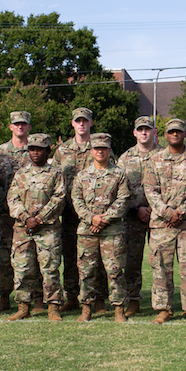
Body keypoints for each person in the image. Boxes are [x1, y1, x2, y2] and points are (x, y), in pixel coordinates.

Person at [142, 118, 186, 325]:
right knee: (161, 266)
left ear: (185, 134)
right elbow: (150, 190)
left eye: (178, 131)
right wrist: (166, 212)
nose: (175, 134)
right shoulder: (154, 160)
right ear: (165, 135)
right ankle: (164, 309)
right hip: (161, 225)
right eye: (171, 132)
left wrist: (181, 212)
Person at [72, 133, 132, 323]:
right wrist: (91, 219)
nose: (100, 152)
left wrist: (104, 219)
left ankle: (119, 309)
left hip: (112, 231)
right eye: (96, 148)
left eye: (103, 148)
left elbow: (123, 199)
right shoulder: (82, 175)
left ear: (109, 150)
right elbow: (77, 200)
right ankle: (86, 308)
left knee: (115, 271)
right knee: (86, 271)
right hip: (87, 231)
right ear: (91, 151)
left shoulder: (119, 174)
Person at [6, 133, 66, 321]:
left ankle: (53, 306)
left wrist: (39, 219)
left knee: (50, 268)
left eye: (39, 149)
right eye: (32, 149)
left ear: (47, 151)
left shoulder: (55, 174)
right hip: (22, 230)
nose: (35, 153)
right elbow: (12, 198)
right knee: (22, 268)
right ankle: (23, 306)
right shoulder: (21, 174)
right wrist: (25, 218)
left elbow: (59, 198)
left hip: (47, 229)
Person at [54, 107, 105, 313]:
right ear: (73, 124)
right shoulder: (62, 150)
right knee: (70, 256)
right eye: (78, 121)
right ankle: (72, 296)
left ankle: (99, 298)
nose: (82, 124)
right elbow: (55, 179)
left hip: (95, 215)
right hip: (69, 214)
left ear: (91, 123)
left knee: (97, 258)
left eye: (85, 120)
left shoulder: (100, 146)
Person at [116, 116, 162, 317]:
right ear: (134, 133)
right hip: (133, 217)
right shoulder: (124, 159)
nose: (144, 132)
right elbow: (119, 190)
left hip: (159, 217)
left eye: (148, 129)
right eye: (140, 129)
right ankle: (133, 300)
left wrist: (156, 208)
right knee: (131, 261)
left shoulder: (164, 155)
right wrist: (136, 209)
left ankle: (162, 301)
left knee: (160, 260)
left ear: (154, 132)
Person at [0, 111, 33, 312]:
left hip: (30, 216)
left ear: (29, 127)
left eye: (23, 124)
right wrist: (9, 205)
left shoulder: (35, 149)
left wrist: (27, 212)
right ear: (10, 127)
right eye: (16, 124)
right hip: (5, 214)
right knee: (3, 255)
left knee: (31, 256)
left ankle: (36, 297)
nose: (20, 127)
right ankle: (4, 296)